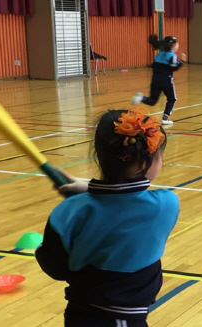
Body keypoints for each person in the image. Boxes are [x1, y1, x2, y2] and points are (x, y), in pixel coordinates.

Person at [35, 108, 179, 326]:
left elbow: (55, 268)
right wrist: (88, 192)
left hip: (78, 314)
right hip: (119, 318)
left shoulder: (67, 212)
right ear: (145, 163)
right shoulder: (166, 205)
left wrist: (86, 194)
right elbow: (125, 204)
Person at [131, 35, 187, 125]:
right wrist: (182, 61)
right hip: (166, 80)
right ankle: (165, 118)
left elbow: (154, 66)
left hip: (155, 79)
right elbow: (174, 67)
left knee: (153, 100)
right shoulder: (172, 56)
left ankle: (141, 97)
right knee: (172, 99)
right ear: (173, 45)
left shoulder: (158, 55)